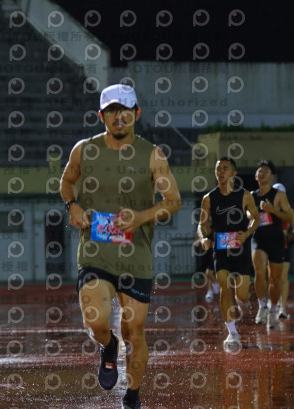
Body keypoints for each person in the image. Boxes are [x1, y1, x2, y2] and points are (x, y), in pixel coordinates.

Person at [60, 83, 181, 409]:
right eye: (112, 111)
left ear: (136, 114)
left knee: (135, 332)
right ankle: (108, 345)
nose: (119, 117)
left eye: (125, 110)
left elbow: (173, 200)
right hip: (96, 252)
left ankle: (132, 395)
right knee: (95, 320)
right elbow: (67, 181)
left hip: (136, 257)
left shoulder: (152, 155)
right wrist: (72, 206)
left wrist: (141, 217)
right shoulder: (84, 150)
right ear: (101, 115)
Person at [198, 157, 261, 350]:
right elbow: (202, 224)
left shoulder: (245, 195)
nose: (220, 172)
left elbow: (256, 219)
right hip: (221, 249)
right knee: (225, 289)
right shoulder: (209, 198)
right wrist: (203, 238)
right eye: (218, 169)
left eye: (225, 169)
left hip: (240, 249)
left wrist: (247, 234)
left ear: (234, 173)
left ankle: (242, 300)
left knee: (242, 296)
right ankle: (232, 333)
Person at [250, 160, 294, 328]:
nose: (262, 173)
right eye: (259, 171)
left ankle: (273, 309)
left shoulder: (279, 195)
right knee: (259, 272)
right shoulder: (251, 196)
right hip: (258, 238)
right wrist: (251, 214)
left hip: (276, 240)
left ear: (272, 176)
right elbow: (246, 213)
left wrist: (272, 210)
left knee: (275, 280)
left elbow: (289, 217)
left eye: (266, 171)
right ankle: (262, 306)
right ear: (256, 175)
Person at [271, 183, 294, 319]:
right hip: (270, 245)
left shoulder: (289, 210)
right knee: (272, 278)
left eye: (281, 194)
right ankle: (272, 303)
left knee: (283, 278)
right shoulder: (267, 209)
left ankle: (282, 308)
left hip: (284, 245)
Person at [193, 229, 219, 301]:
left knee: (209, 272)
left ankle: (215, 284)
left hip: (212, 253)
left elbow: (219, 240)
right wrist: (199, 242)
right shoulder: (200, 230)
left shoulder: (214, 229)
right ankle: (209, 291)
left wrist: (211, 243)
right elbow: (195, 242)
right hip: (203, 253)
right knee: (206, 274)